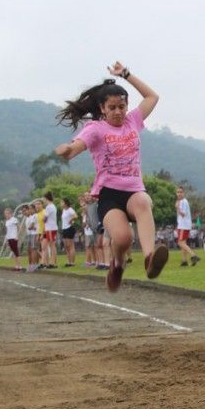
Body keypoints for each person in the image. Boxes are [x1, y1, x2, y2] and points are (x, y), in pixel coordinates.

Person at [55, 61, 168, 291]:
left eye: (122, 106)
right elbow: (76, 147)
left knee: (144, 201)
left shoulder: (133, 121)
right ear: (102, 109)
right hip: (109, 194)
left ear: (127, 107)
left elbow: (152, 97)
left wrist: (126, 74)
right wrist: (67, 151)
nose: (118, 112)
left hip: (133, 189)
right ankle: (117, 265)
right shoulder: (96, 129)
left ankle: (149, 258)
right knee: (123, 238)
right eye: (113, 107)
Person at [174, 186, 200, 267]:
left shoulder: (183, 202)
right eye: (178, 192)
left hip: (184, 225)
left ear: (184, 193)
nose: (179, 194)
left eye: (181, 192)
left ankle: (193, 255)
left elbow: (183, 214)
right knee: (183, 243)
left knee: (180, 243)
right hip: (182, 225)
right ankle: (184, 261)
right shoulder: (181, 201)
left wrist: (177, 207)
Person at [42, 192, 59, 268]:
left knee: (52, 245)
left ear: (46, 198)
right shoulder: (53, 206)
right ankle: (53, 262)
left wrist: (43, 219)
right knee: (52, 245)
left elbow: (44, 219)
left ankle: (53, 263)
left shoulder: (49, 207)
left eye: (44, 199)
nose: (44, 200)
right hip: (53, 227)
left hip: (50, 228)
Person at [60, 198, 79, 267]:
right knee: (66, 246)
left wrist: (71, 220)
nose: (61, 204)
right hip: (64, 229)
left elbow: (75, 216)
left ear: (65, 203)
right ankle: (68, 261)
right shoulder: (63, 210)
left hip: (69, 228)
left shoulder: (70, 209)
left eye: (62, 202)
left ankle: (72, 262)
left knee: (70, 245)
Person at [4, 207, 22, 271]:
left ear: (11, 213)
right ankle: (16, 266)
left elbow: (19, 227)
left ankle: (20, 266)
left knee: (16, 252)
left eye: (7, 213)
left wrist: (17, 236)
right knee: (14, 252)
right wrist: (6, 240)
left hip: (14, 237)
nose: (6, 215)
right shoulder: (7, 221)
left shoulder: (14, 219)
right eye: (5, 213)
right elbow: (7, 231)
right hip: (9, 238)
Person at [24, 203, 40, 271]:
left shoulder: (35, 215)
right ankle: (32, 264)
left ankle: (34, 264)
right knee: (31, 250)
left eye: (30, 209)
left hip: (34, 234)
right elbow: (30, 227)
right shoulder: (31, 216)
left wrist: (31, 227)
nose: (29, 210)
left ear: (33, 209)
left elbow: (32, 226)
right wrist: (31, 227)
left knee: (34, 250)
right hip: (31, 234)